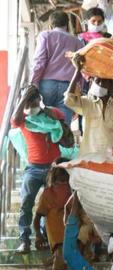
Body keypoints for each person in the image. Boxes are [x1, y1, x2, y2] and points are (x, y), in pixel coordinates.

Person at [12, 86, 73, 254]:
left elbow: (60, 124)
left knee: (54, 205)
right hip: (33, 168)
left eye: (34, 100)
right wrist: (25, 98)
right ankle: (24, 240)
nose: (32, 104)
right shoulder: (23, 119)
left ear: (40, 99)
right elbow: (14, 120)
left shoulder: (52, 113)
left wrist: (43, 106)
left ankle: (48, 237)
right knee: (26, 204)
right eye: (28, 101)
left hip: (53, 169)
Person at [65, 54, 113, 155]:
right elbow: (68, 100)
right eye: (97, 80)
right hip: (89, 157)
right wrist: (77, 70)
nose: (99, 83)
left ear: (110, 84)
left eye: (103, 81)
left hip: (112, 159)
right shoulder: (87, 102)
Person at [30, 10, 83, 125]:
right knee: (63, 126)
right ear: (67, 24)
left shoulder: (45, 35)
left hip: (46, 85)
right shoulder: (78, 42)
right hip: (68, 88)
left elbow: (39, 62)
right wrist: (79, 94)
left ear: (50, 25)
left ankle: (47, 143)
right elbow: (81, 69)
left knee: (44, 122)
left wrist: (33, 83)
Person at [32, 159, 71, 270]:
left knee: (79, 257)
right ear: (53, 177)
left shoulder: (74, 191)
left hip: (73, 234)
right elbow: (37, 217)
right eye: (59, 177)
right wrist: (38, 235)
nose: (62, 181)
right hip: (58, 236)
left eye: (65, 176)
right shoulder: (48, 193)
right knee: (61, 256)